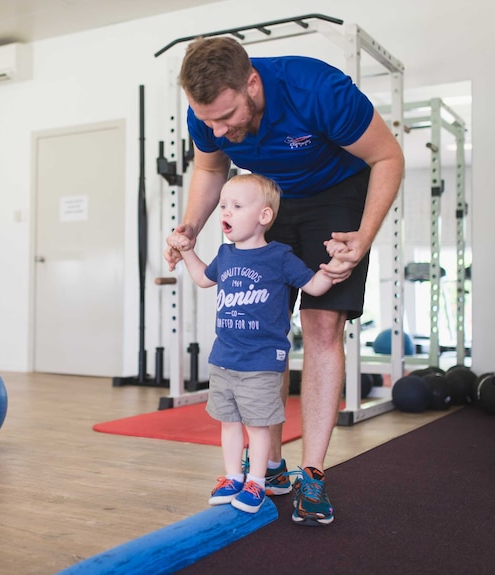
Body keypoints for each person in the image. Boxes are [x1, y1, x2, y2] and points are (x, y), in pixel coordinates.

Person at [165, 37, 404, 525]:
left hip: (337, 195)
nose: (218, 128)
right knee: (258, 324)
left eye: (227, 116)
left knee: (320, 327)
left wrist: (363, 235)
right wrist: (190, 225)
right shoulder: (207, 113)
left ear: (252, 84)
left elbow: (388, 158)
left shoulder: (315, 89)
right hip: (270, 199)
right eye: (208, 120)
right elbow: (211, 166)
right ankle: (269, 467)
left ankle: (312, 473)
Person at [170, 172, 346, 514]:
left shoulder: (280, 257)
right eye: (224, 206)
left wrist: (337, 263)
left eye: (236, 206)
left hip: (262, 361)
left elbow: (314, 287)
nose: (226, 213)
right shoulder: (226, 254)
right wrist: (188, 252)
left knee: (258, 424)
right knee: (229, 421)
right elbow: (204, 279)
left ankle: (257, 480)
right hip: (224, 358)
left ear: (264, 217)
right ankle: (234, 476)